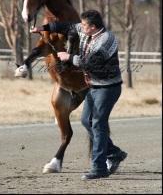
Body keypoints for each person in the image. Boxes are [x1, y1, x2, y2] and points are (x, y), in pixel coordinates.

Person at [31, 10, 127, 180]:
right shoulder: (85, 29)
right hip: (93, 86)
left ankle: (99, 168)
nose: (80, 27)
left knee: (97, 123)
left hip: (108, 88)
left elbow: (90, 63)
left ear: (93, 27)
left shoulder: (106, 40)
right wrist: (43, 27)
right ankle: (114, 153)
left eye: (84, 25)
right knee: (85, 121)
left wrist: (69, 57)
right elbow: (65, 26)